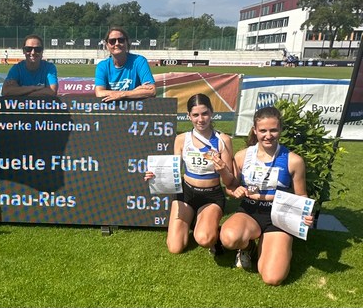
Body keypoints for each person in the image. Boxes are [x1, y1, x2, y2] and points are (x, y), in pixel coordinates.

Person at [219, 106, 313, 286]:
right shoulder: (242, 156)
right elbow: (231, 186)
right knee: (229, 238)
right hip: (250, 210)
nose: (268, 135)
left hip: (280, 214)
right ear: (255, 130)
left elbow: (301, 195)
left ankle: (279, 246)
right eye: (263, 130)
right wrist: (235, 191)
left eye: (273, 130)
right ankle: (248, 248)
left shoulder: (294, 160)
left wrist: (306, 214)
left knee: (272, 278)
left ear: (280, 130)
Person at [144, 93, 236, 255]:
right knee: (175, 247)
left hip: (211, 196)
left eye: (205, 113)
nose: (201, 119)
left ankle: (212, 230)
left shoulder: (223, 140)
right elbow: (173, 170)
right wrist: (156, 175)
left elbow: (230, 182)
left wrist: (222, 169)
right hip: (186, 194)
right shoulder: (181, 139)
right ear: (189, 116)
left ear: (212, 113)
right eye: (195, 115)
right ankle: (198, 220)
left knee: (204, 239)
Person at [94, 27, 156, 101]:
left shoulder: (139, 61)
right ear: (107, 45)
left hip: (136, 107)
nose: (117, 43)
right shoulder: (102, 66)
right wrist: (135, 92)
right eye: (112, 41)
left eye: (121, 40)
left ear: (127, 43)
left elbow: (151, 91)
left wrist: (122, 94)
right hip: (112, 107)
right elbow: (99, 93)